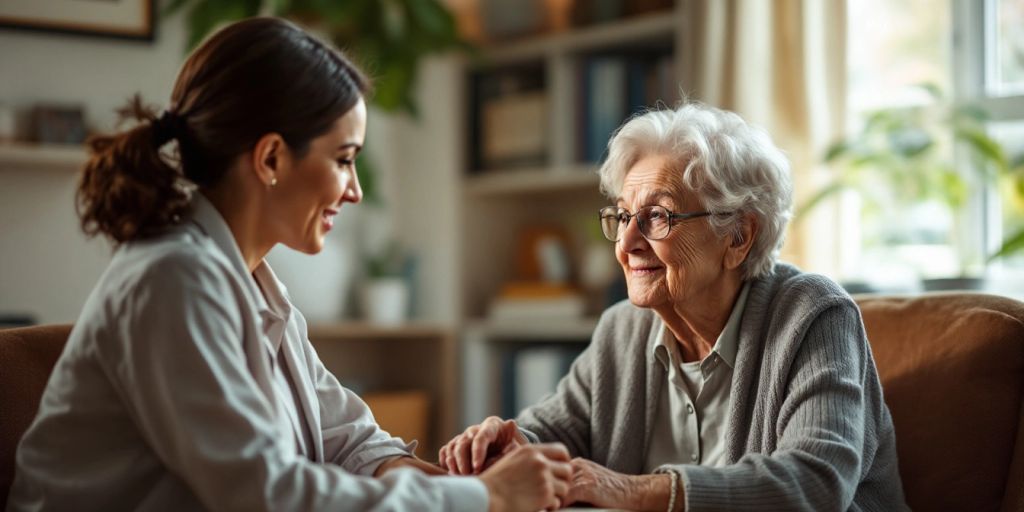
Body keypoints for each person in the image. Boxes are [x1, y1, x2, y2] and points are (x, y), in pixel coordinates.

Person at [8, 17, 572, 512]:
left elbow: (351, 443)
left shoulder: (251, 283)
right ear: (272, 157)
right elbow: (265, 495)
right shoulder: (172, 280)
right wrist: (484, 498)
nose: (353, 191)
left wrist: (469, 486)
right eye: (344, 160)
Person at [440, 103, 908, 511]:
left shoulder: (813, 317)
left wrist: (632, 491)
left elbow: (815, 483)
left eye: (657, 216)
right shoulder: (622, 329)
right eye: (623, 216)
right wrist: (512, 447)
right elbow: (557, 429)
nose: (625, 244)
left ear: (738, 237)